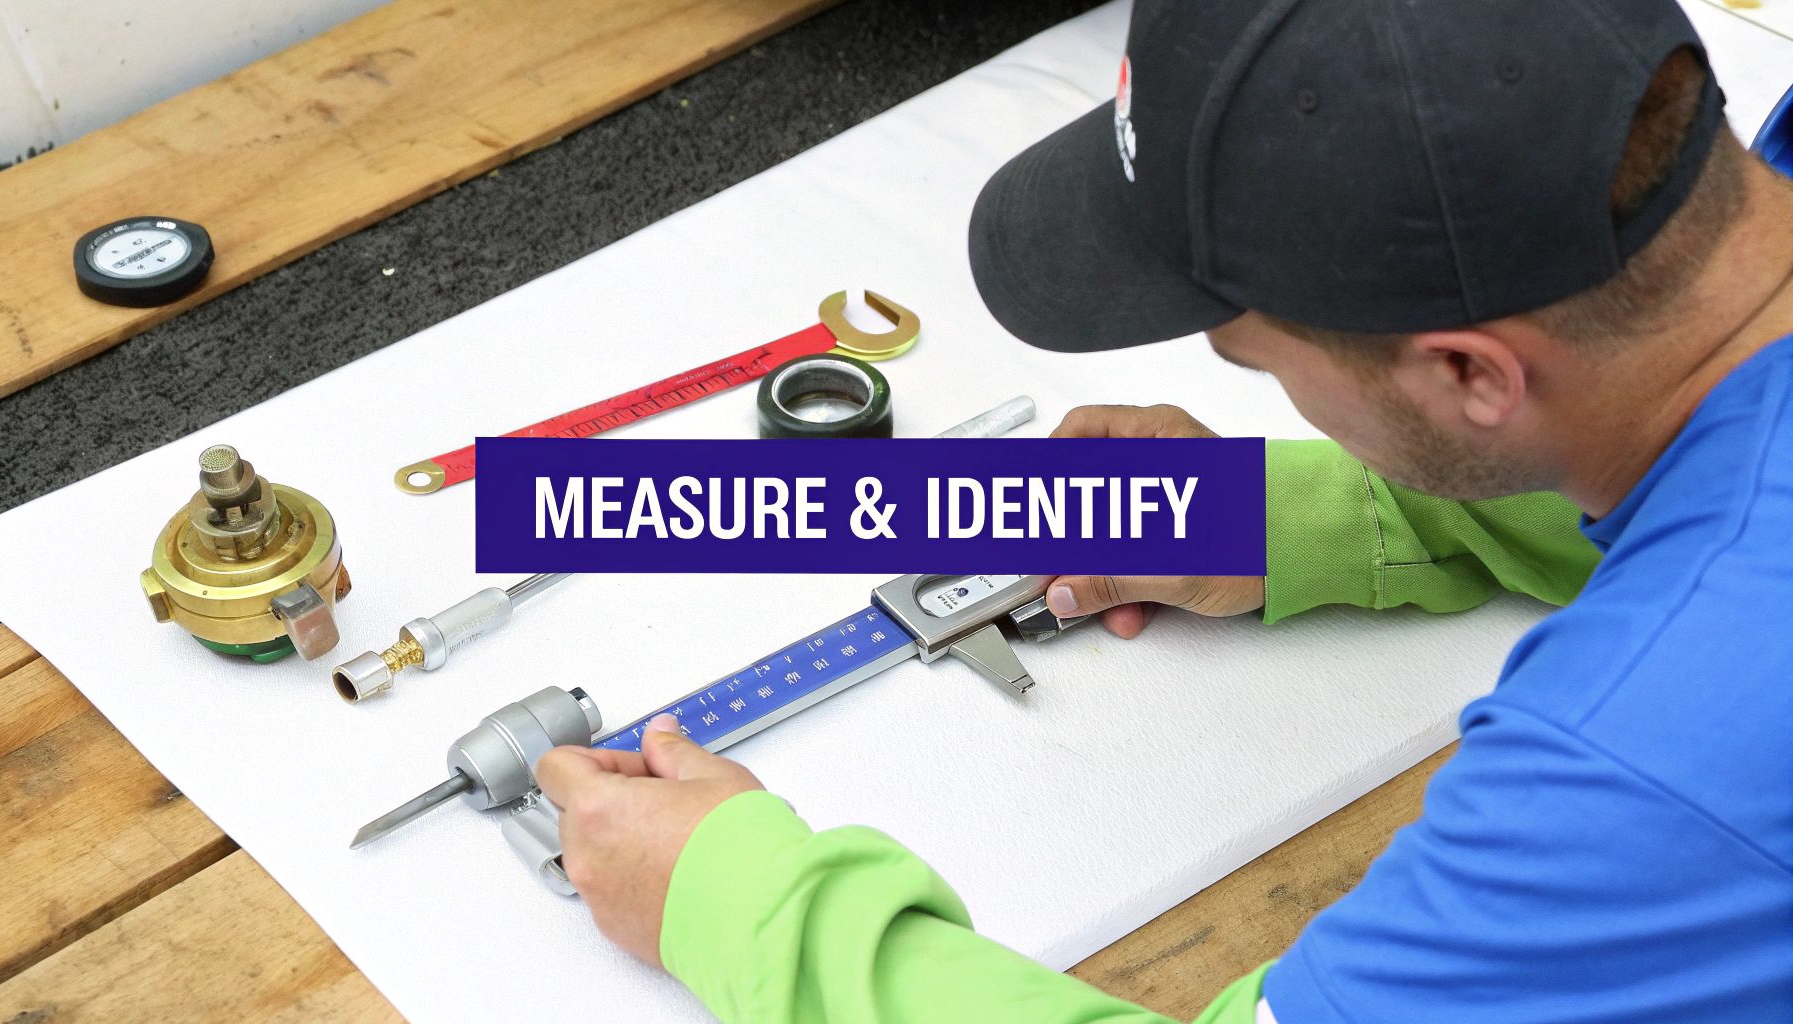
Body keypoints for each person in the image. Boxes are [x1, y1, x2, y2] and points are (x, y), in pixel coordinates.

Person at [534, 0, 1793, 1020]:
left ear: (1465, 372)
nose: (1251, 385)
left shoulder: (1637, 767)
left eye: (1250, 358)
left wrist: (738, 904)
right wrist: (1278, 518)